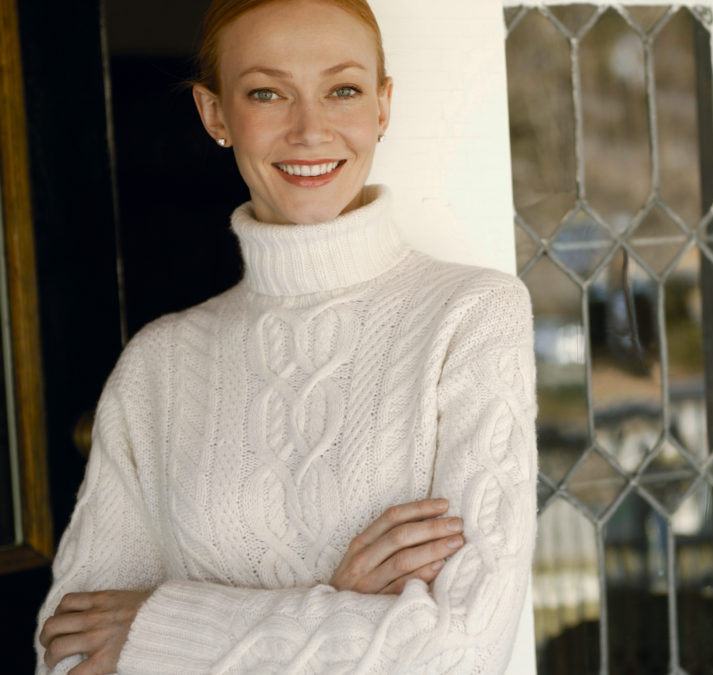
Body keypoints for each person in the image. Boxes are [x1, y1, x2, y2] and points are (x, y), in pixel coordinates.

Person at [34, 0, 537, 672]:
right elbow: (69, 655)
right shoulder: (158, 366)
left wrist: (159, 627)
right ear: (215, 114)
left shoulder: (469, 317)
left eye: (344, 90)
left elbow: (463, 651)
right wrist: (340, 599)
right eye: (267, 92)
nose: (309, 129)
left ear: (382, 107)